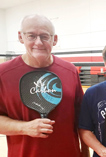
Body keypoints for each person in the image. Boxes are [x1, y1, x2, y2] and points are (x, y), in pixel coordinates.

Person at [0, 14, 89, 157]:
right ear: (20, 37)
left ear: (55, 40)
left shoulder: (70, 71)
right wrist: (25, 128)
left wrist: (85, 153)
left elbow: (82, 120)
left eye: (44, 36)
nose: (38, 42)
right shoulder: (3, 74)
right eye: (31, 36)